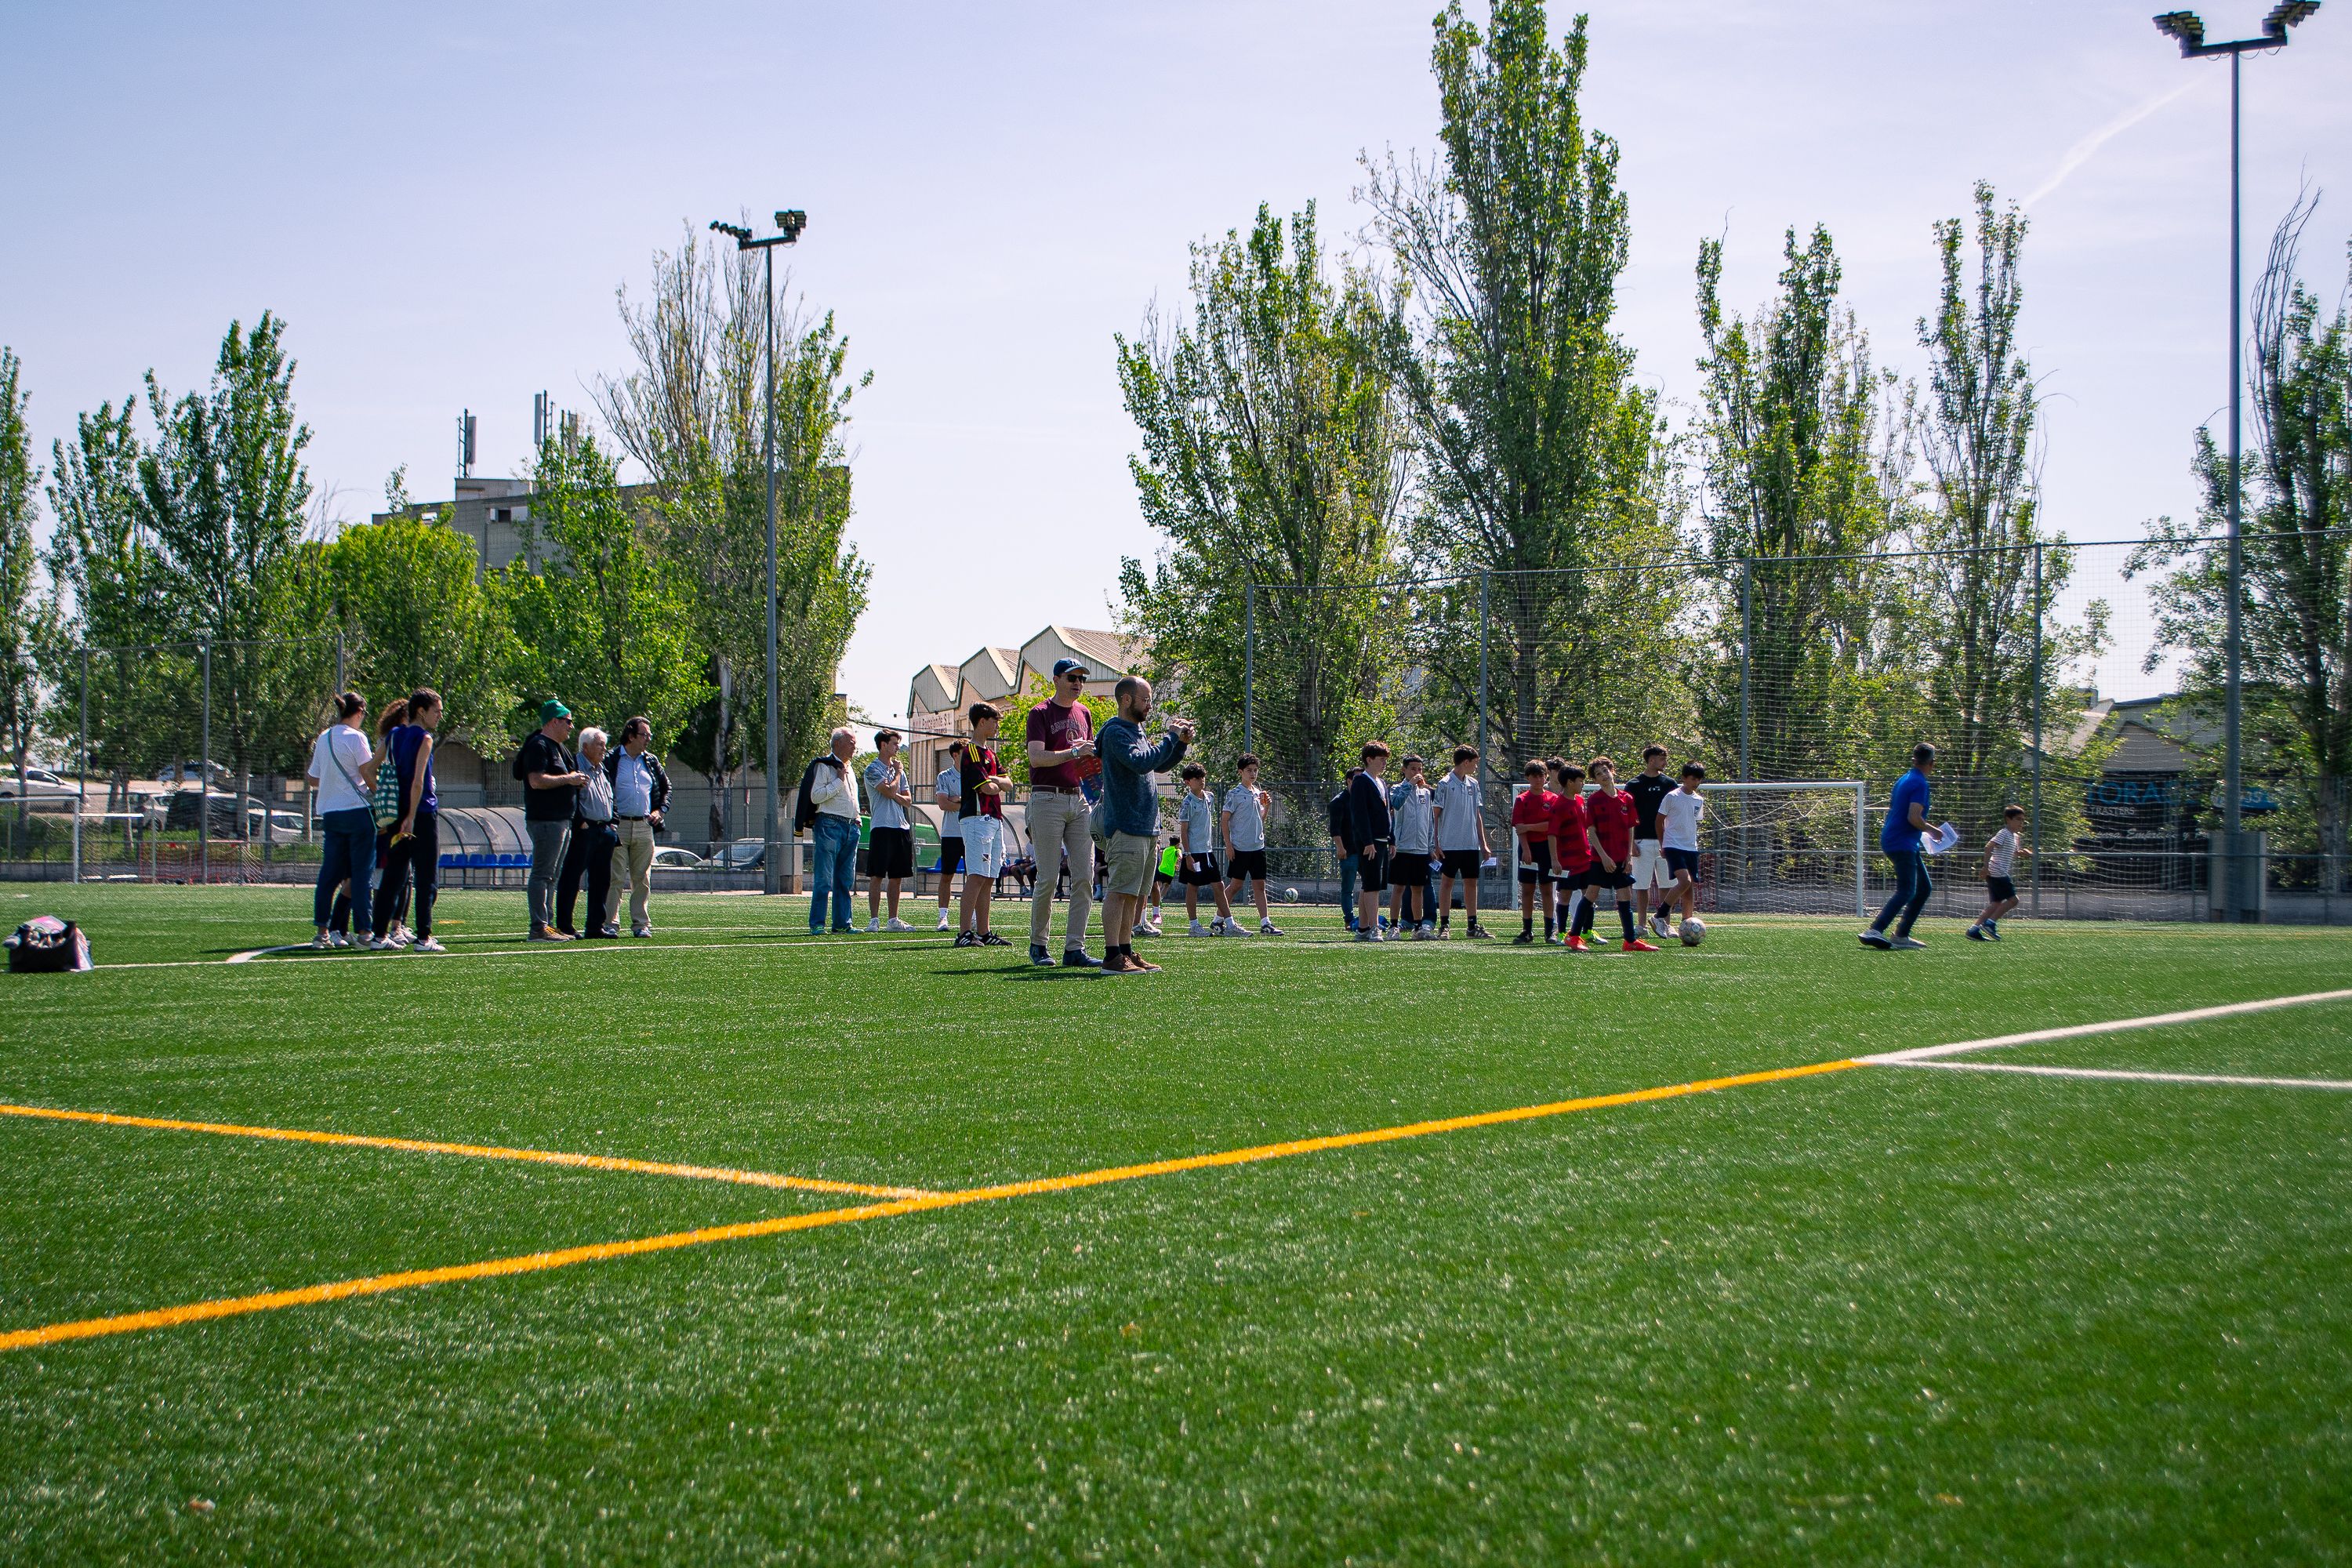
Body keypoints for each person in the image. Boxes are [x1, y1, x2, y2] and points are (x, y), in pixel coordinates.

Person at [1095, 675, 1192, 975]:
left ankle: (1125, 951)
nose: (1150, 705)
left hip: (1145, 826)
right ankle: (1112, 956)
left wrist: (1179, 746)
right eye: (1145, 700)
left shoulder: (1136, 729)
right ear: (1127, 700)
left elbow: (1157, 763)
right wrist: (1169, 737)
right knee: (1120, 890)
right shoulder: (1116, 732)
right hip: (1126, 824)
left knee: (1134, 893)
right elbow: (1140, 762)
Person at [1024, 659, 1102, 967]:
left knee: (1085, 875)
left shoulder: (1084, 713)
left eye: (1082, 679)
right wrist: (1072, 752)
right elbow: (1036, 757)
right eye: (1072, 678)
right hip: (1047, 799)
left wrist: (1097, 789)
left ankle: (1075, 949)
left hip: (1080, 800)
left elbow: (1088, 759)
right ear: (1056, 679)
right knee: (1048, 875)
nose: (1078, 684)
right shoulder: (1040, 713)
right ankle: (1039, 945)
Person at [372, 688, 446, 953]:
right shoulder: (424, 738)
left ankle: (378, 934)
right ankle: (424, 938)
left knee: (393, 875)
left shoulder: (393, 735)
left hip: (395, 815)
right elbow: (418, 782)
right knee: (426, 876)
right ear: (421, 711)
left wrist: (384, 798)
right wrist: (412, 817)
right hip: (422, 815)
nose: (440, 716)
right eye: (436, 711)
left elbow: (370, 768)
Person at [305, 691, 376, 950]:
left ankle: (322, 932)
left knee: (329, 874)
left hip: (331, 815)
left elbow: (313, 778)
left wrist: (334, 782)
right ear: (358, 713)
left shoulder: (324, 738)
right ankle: (365, 931)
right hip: (357, 813)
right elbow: (367, 771)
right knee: (361, 873)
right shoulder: (358, 738)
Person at [516, 699, 588, 942]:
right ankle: (538, 927)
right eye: (568, 721)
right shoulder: (539, 745)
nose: (571, 726)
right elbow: (536, 780)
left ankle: (547, 924)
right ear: (553, 721)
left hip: (561, 820)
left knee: (552, 875)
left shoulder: (558, 747)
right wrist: (569, 779)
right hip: (546, 820)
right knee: (542, 874)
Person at [1572, 755, 1658, 953]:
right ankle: (1574, 936)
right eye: (1598, 774)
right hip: (1601, 858)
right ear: (1595, 780)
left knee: (1625, 895)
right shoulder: (1594, 800)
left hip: (1621, 858)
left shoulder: (1626, 798)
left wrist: (1628, 857)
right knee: (1592, 894)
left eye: (1605, 771)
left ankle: (1630, 941)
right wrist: (1603, 856)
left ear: (1613, 771)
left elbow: (1630, 828)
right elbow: (1591, 831)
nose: (1603, 775)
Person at [1863, 742, 1938, 950]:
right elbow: (1914, 817)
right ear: (1932, 763)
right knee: (1907, 890)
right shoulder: (1920, 783)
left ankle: (1902, 935)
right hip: (1902, 842)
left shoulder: (1904, 778)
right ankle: (1875, 929)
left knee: (1924, 888)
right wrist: (1934, 831)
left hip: (1899, 840)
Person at [953, 705, 1014, 947]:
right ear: (981, 722)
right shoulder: (971, 752)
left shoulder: (990, 753)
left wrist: (996, 781)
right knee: (977, 875)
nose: (997, 725)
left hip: (993, 818)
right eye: (994, 720)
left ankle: (984, 931)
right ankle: (964, 932)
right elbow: (987, 788)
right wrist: (996, 783)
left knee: (989, 877)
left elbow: (1007, 784)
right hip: (977, 818)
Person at [604, 717, 669, 938]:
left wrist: (660, 811)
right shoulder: (612, 759)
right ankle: (611, 923)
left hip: (644, 826)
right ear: (631, 736)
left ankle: (641, 924)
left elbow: (666, 787)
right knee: (615, 877)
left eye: (649, 735)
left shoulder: (650, 761)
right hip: (618, 825)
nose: (648, 739)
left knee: (642, 878)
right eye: (644, 735)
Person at [557, 727, 618, 938]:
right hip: (585, 829)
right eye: (600, 744)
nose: (604, 749)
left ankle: (595, 926)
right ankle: (565, 925)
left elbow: (610, 797)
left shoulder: (603, 768)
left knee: (601, 880)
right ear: (586, 746)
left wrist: (613, 823)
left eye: (604, 744)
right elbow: (568, 796)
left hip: (604, 829)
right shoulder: (573, 765)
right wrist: (580, 822)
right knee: (572, 877)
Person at [857, 729, 919, 935]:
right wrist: (898, 776)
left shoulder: (898, 771)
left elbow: (908, 800)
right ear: (883, 745)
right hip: (881, 827)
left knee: (897, 876)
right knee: (877, 875)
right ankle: (874, 919)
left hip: (900, 827)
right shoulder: (873, 769)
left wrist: (896, 791)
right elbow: (891, 791)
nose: (897, 747)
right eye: (894, 743)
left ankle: (893, 919)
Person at [807, 725, 862, 935]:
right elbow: (816, 796)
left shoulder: (850, 769)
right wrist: (838, 781)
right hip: (829, 825)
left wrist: (857, 818)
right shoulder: (825, 766)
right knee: (824, 878)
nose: (854, 747)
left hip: (851, 827)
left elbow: (852, 799)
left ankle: (842, 923)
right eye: (851, 743)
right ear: (837, 743)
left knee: (845, 880)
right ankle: (817, 923)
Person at [1432, 746, 1492, 939]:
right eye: (1474, 762)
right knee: (1447, 882)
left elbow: (1477, 815)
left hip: (1470, 844)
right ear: (1466, 762)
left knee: (1471, 883)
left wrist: (1483, 843)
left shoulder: (1473, 784)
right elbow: (1435, 815)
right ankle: (1444, 925)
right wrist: (1435, 842)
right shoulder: (1444, 783)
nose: (1475, 767)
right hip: (1449, 843)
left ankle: (1472, 925)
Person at [1176, 761, 1240, 936]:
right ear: (1188, 782)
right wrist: (1188, 854)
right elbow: (1184, 830)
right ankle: (1194, 926)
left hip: (1208, 851)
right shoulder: (1187, 803)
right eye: (1197, 778)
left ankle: (1229, 925)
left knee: (1219, 886)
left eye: (1203, 777)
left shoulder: (1210, 797)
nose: (1201, 781)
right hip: (1194, 853)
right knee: (1193, 887)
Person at [1221, 753, 1282, 935]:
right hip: (1240, 847)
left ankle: (1265, 923)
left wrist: (1267, 807)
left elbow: (1259, 820)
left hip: (1258, 847)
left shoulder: (1258, 793)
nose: (1253, 774)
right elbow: (1224, 820)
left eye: (1255, 770)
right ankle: (1218, 919)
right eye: (1249, 770)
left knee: (1260, 885)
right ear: (1241, 772)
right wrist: (1229, 845)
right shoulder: (1235, 794)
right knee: (1235, 886)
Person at [1626, 743, 1678, 940]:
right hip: (1641, 841)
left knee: (1667, 884)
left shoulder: (1669, 783)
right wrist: (1631, 843)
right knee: (1641, 885)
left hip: (1666, 842)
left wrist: (1671, 841)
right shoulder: (1634, 784)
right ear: (1651, 760)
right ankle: (1641, 925)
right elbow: (1629, 816)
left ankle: (1665, 923)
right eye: (1661, 758)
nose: (1665, 762)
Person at [1348, 742, 1396, 943]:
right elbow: (1359, 815)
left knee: (1370, 885)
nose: (1384, 763)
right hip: (1370, 842)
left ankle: (1363, 928)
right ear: (1369, 760)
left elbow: (1388, 813)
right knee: (1372, 885)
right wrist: (1367, 841)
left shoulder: (1382, 783)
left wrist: (1391, 839)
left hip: (1382, 841)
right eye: (1381, 759)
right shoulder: (1361, 782)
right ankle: (1375, 927)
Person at [1548, 760, 1596, 951]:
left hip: (1584, 857)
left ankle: (1586, 931)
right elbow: (1552, 834)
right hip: (1567, 859)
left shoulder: (1579, 800)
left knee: (1590, 894)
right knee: (1565, 896)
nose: (1583, 784)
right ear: (1569, 782)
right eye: (1580, 781)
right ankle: (1562, 932)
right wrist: (1555, 859)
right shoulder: (1558, 804)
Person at [1656, 761, 1708, 935]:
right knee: (1684, 881)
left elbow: (1693, 821)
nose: (1696, 783)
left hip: (1690, 847)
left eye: (1699, 780)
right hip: (1673, 845)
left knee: (1689, 885)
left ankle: (1687, 923)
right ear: (1684, 778)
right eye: (1693, 779)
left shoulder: (1699, 800)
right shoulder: (1672, 796)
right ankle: (1660, 915)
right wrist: (1662, 844)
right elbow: (1659, 821)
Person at [1512, 758, 1559, 945]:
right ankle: (1527, 930)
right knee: (1527, 890)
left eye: (1541, 776)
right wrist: (1525, 848)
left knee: (1547, 889)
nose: (1538, 780)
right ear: (1528, 778)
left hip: (1547, 848)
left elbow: (1552, 826)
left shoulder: (1553, 799)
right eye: (1534, 776)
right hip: (1528, 849)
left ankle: (1550, 930)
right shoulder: (1522, 799)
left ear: (1546, 777)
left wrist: (1530, 827)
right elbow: (1519, 828)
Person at [1388, 753, 1436, 939]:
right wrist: (1409, 785)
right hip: (1402, 848)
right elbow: (1396, 804)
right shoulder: (1396, 789)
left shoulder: (1425, 793)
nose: (1417, 773)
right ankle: (1394, 927)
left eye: (1420, 769)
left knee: (1418, 889)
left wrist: (1431, 847)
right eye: (1413, 769)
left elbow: (1430, 822)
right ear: (1404, 770)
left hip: (1421, 849)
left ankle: (1418, 927)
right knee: (1399, 888)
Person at [1968, 804, 2030, 942]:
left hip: (1996, 872)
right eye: (2018, 819)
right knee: (2014, 900)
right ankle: (1990, 924)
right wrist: (1985, 867)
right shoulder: (2004, 833)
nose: (2021, 823)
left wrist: (2022, 854)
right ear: (2008, 819)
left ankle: (1974, 930)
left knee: (1995, 904)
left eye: (2023, 820)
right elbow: (1989, 846)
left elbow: (2013, 852)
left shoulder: (2015, 837)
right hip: (1997, 872)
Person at [932, 740, 966, 931]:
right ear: (955, 755)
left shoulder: (974, 775)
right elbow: (944, 804)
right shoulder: (944, 776)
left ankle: (975, 917)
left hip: (972, 832)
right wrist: (965, 802)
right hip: (951, 834)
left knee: (974, 876)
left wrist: (957, 799)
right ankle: (943, 917)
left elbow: (978, 801)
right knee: (947, 875)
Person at [1328, 775, 1359, 931]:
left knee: (1370, 887)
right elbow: (1335, 829)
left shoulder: (1364, 798)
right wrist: (1340, 847)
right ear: (1349, 781)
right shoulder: (1339, 801)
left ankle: (1367, 920)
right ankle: (1349, 919)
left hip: (1365, 850)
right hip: (1349, 851)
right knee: (1348, 888)